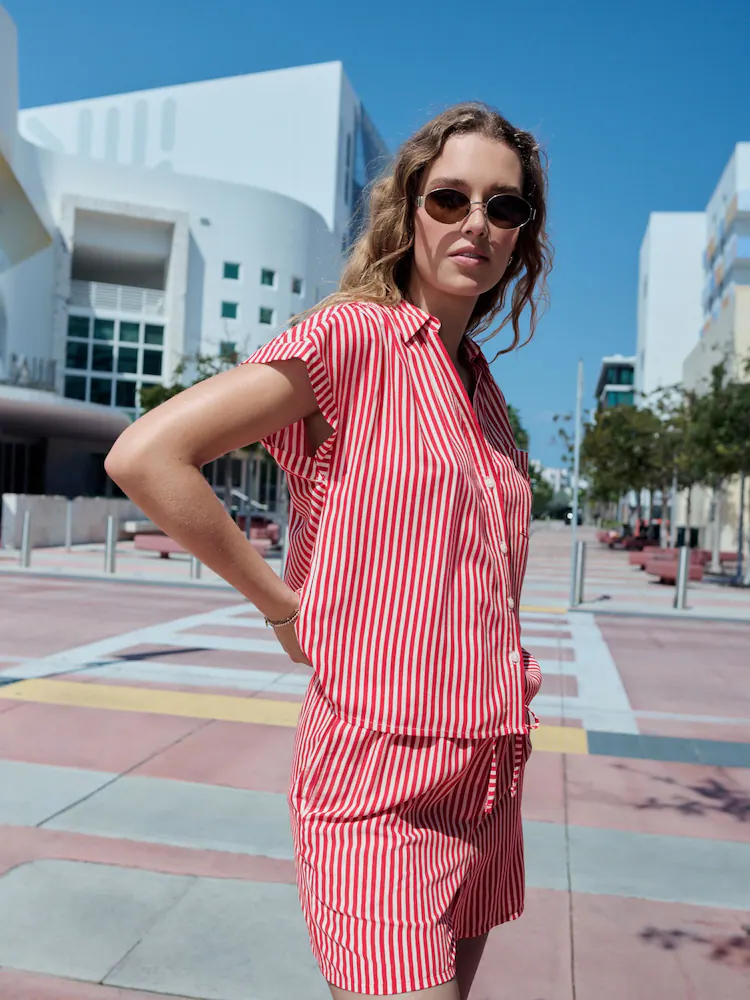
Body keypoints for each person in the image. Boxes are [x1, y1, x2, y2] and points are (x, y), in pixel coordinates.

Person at [105, 102, 552, 1000]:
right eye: (449, 198)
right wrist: (280, 604)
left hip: (487, 776)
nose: (477, 223)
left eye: (504, 209)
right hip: (379, 779)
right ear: (407, 210)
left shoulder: (486, 398)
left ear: (522, 239)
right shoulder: (354, 338)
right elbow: (147, 455)